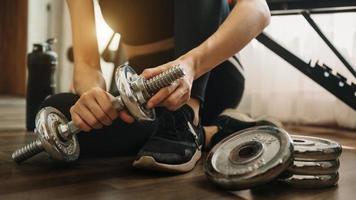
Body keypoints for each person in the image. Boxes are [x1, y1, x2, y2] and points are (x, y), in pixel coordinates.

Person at [40, 0, 271, 173]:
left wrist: (190, 66)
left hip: (208, 74)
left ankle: (187, 117)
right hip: (144, 90)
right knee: (60, 111)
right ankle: (212, 133)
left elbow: (258, 9)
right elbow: (87, 64)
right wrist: (92, 95)